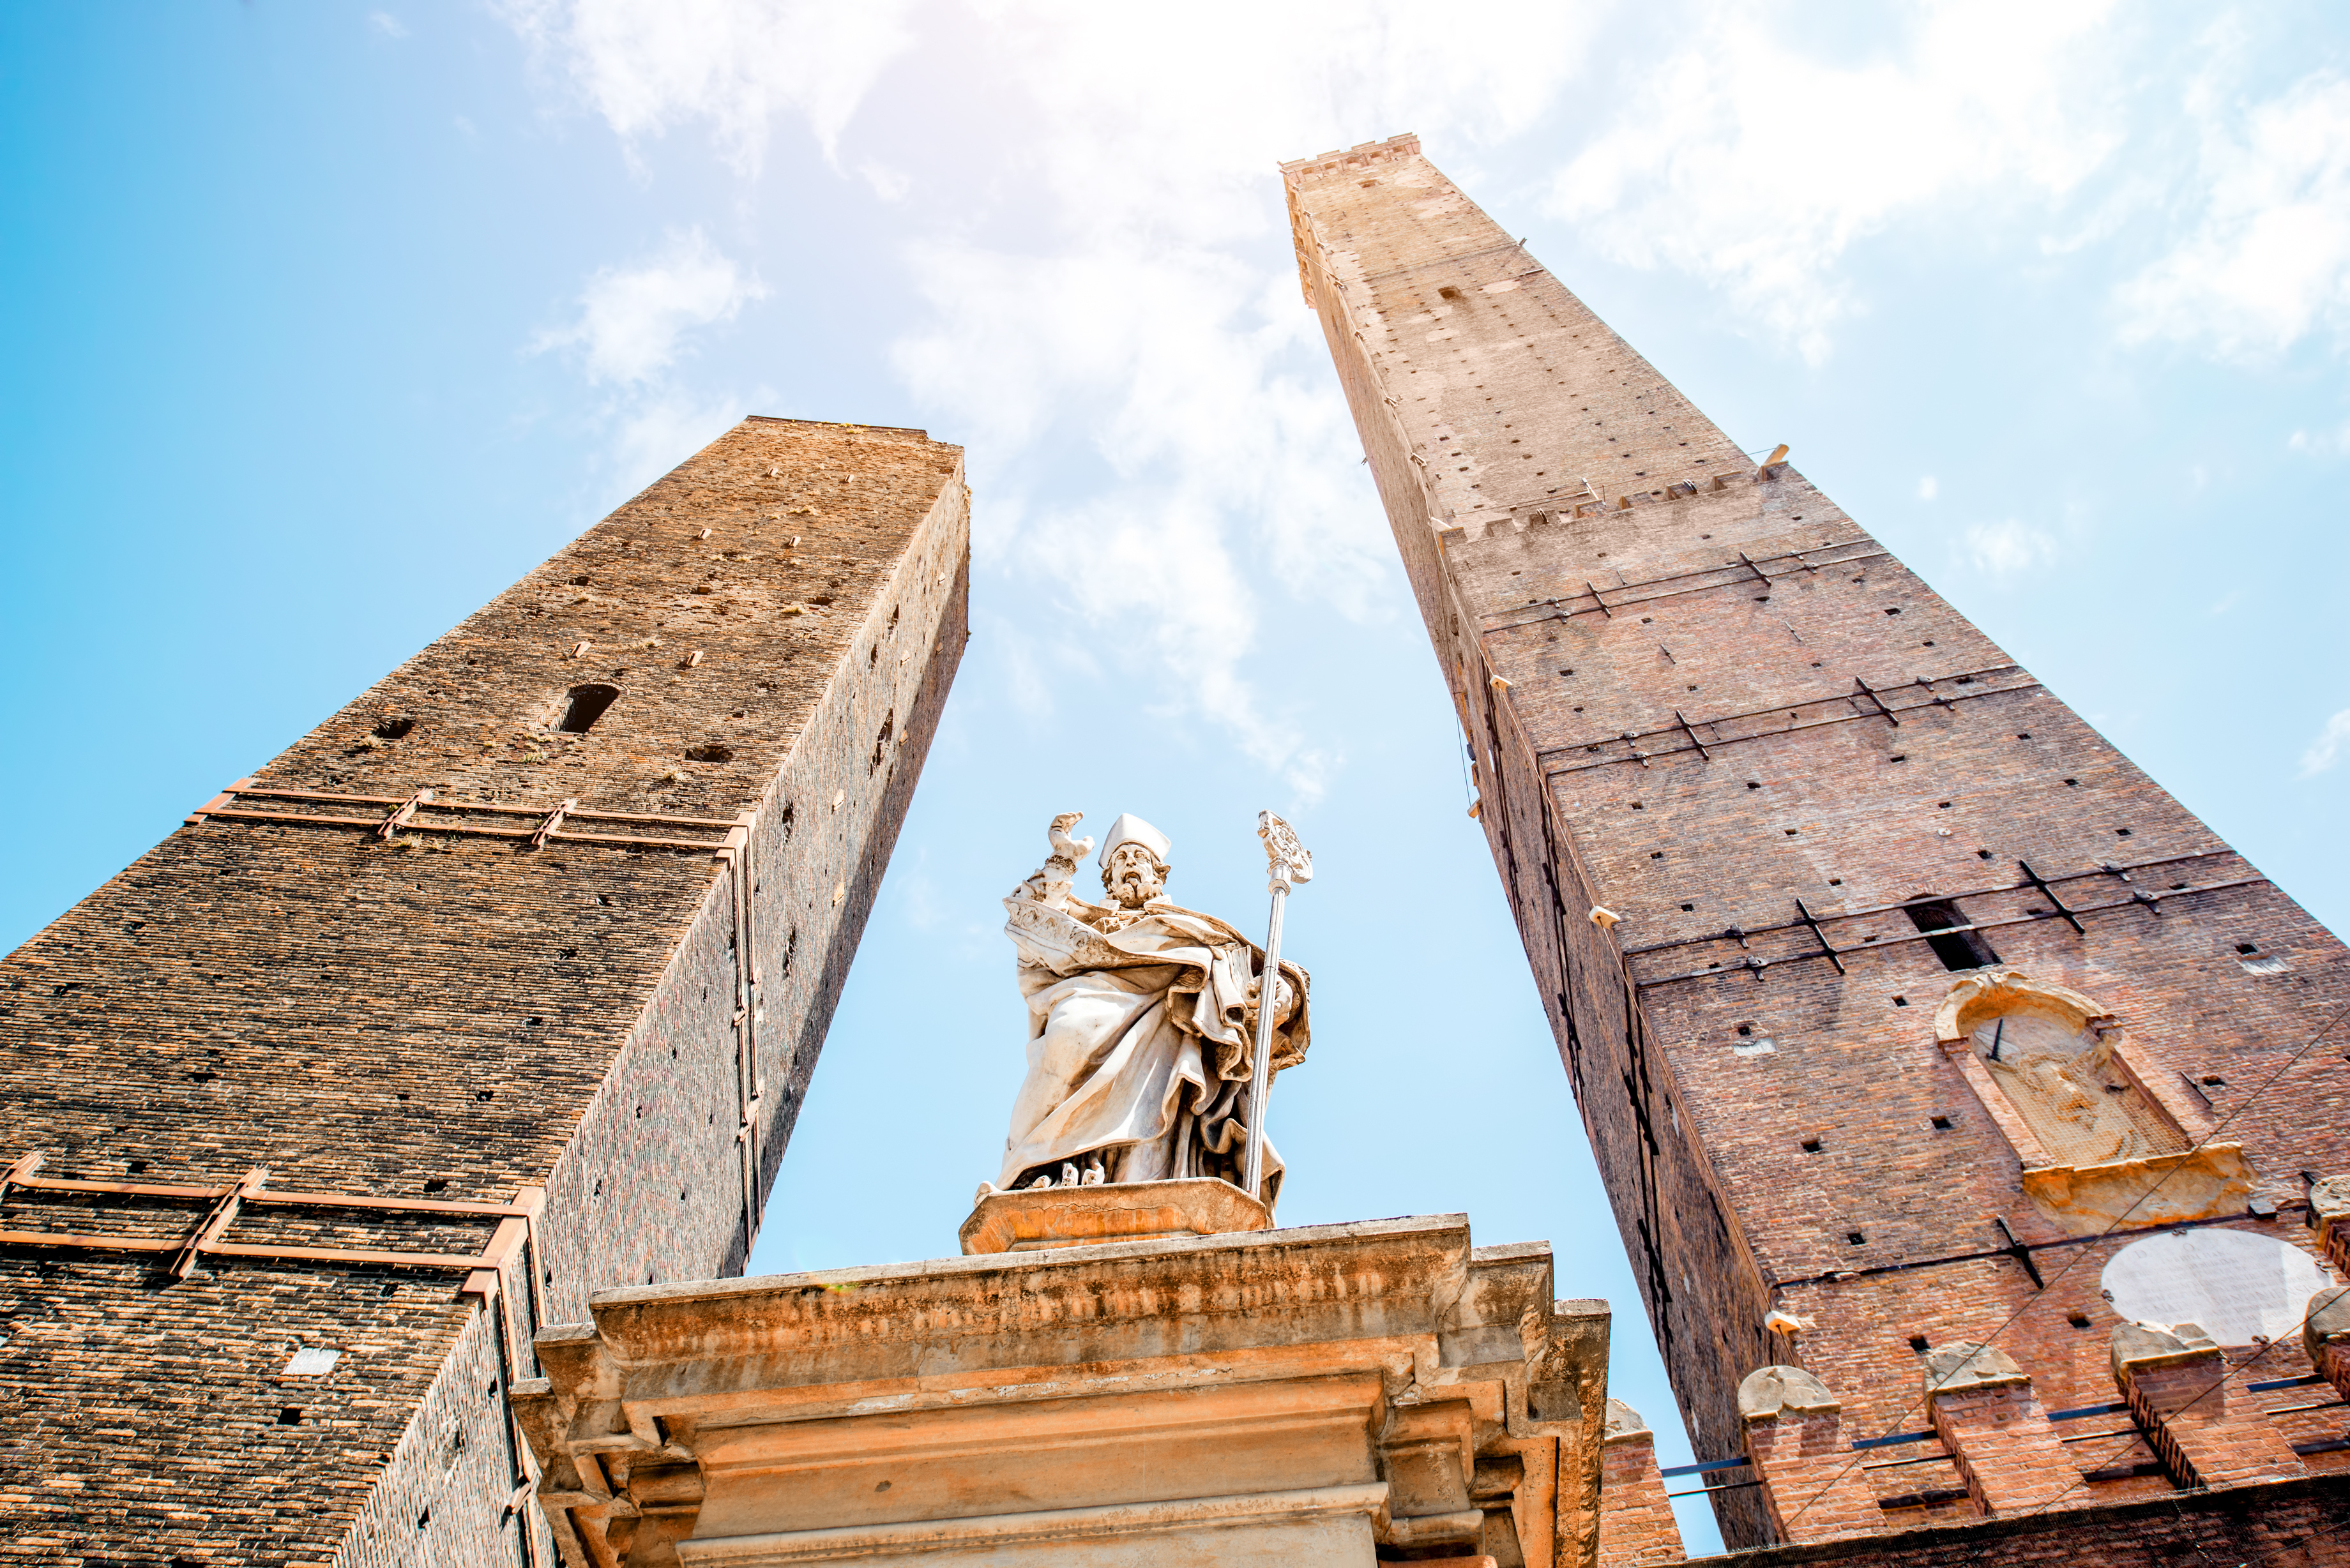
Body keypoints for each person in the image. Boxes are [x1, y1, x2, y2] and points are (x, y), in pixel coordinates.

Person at [992, 811, 1308, 1203]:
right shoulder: (1089, 920)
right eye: (1120, 859)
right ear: (1108, 878)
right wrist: (1062, 861)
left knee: (1169, 1033)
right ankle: (1028, 1165)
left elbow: (1245, 965)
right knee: (1067, 1035)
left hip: (1166, 1019)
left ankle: (1134, 1178)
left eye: (1138, 858)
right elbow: (1031, 924)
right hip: (1089, 997)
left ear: (1159, 873)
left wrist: (1281, 989)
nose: (1129, 866)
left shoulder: (1187, 928)